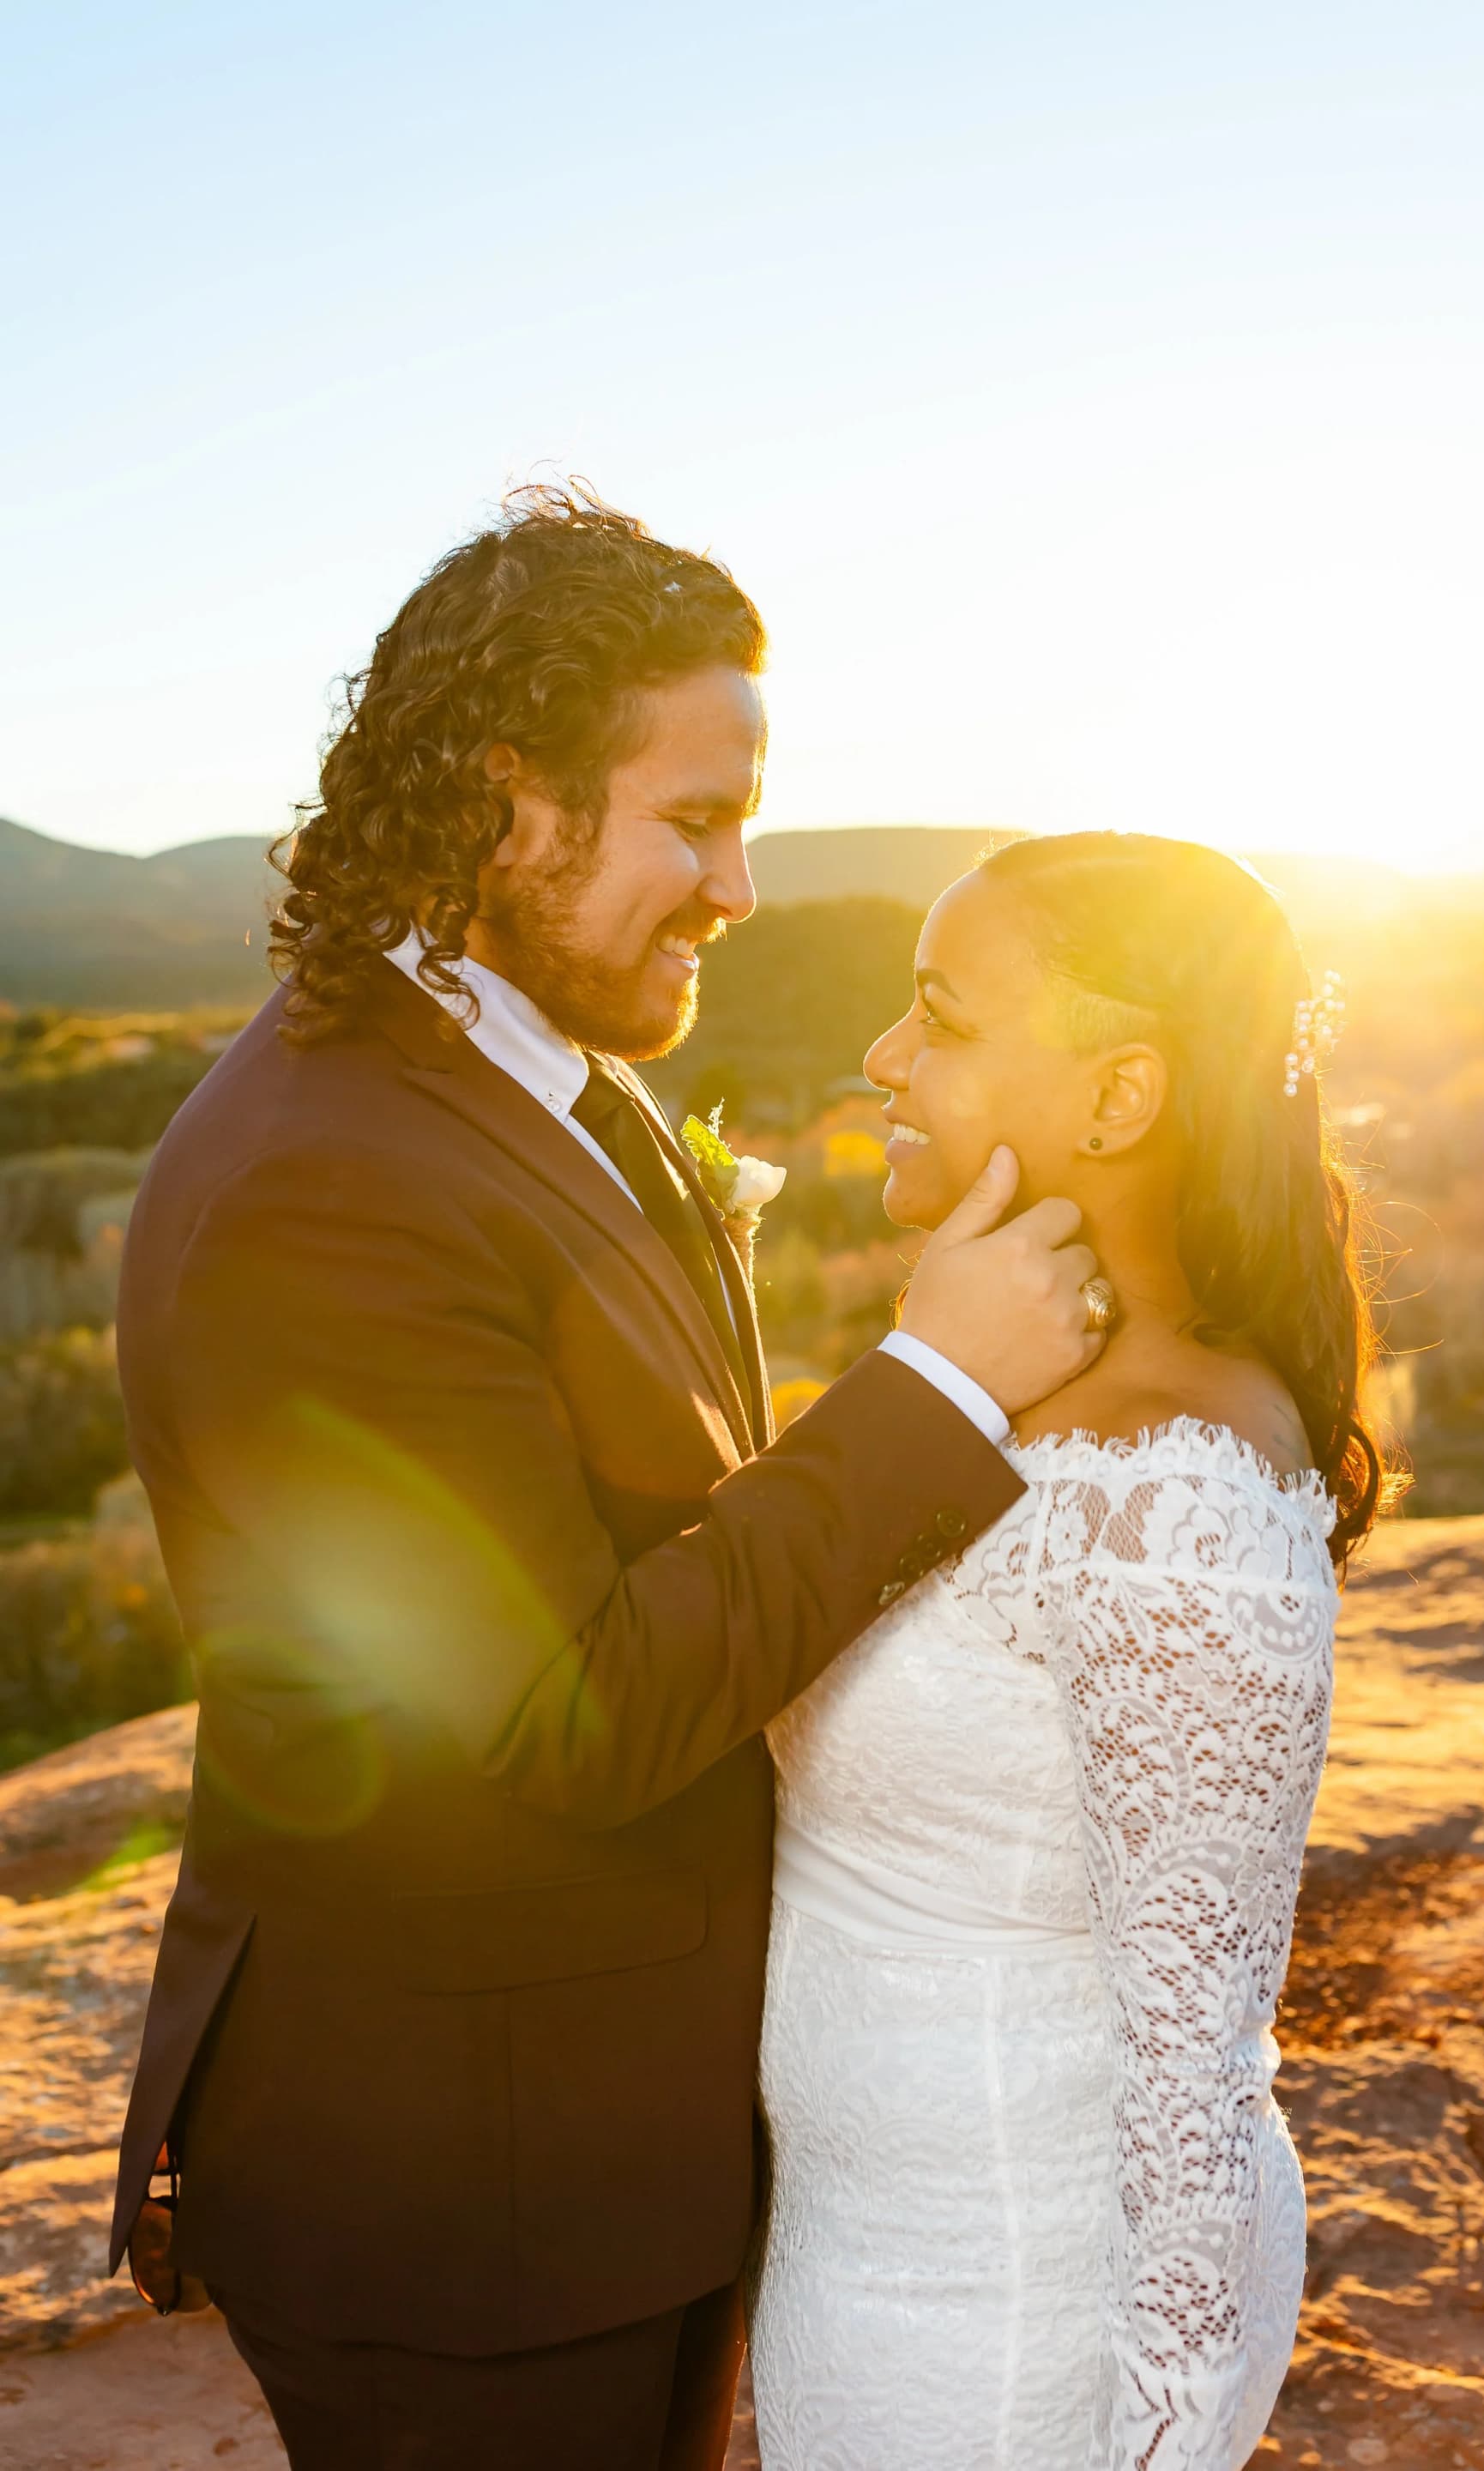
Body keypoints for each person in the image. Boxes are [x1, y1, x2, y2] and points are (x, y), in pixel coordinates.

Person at [107, 490, 1106, 2471]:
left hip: (597, 2142)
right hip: (461, 2207)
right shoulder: (331, 1183)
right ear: (510, 802)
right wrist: (932, 1390)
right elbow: (551, 1714)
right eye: (696, 819)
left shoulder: (514, 1067)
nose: (740, 884)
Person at [752, 831, 1384, 2469]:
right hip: (861, 2295)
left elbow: (1200, 2094)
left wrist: (1162, 2448)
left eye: (941, 1020)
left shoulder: (1177, 1493)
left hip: (1002, 2347)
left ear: (1119, 1100)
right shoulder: (986, 1399)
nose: (883, 1059)